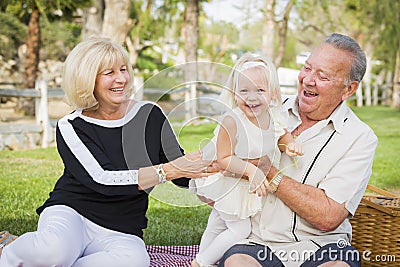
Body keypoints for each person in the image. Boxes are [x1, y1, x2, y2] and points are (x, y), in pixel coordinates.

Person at [0, 36, 217, 267]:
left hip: (122, 226)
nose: (121, 79)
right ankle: (8, 249)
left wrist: (212, 170)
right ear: (88, 79)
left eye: (123, 69)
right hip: (73, 212)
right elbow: (103, 178)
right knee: (54, 252)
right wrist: (167, 171)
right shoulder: (71, 125)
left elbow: (180, 169)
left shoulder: (150, 115)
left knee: (135, 262)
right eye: (109, 73)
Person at [218, 33, 378, 267]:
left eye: (322, 76)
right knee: (237, 264)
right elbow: (223, 160)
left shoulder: (360, 138)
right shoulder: (265, 108)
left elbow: (328, 216)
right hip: (256, 243)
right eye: (307, 68)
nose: (308, 80)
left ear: (348, 89)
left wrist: (269, 173)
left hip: (324, 246)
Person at [191, 53, 303, 267]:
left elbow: (281, 135)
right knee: (240, 229)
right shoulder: (231, 121)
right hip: (227, 181)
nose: (251, 97)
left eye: (260, 90)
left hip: (242, 185)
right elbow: (223, 159)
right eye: (244, 91)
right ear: (234, 93)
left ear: (272, 94)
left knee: (217, 223)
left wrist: (290, 145)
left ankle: (200, 257)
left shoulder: (274, 116)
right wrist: (253, 172)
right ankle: (201, 262)